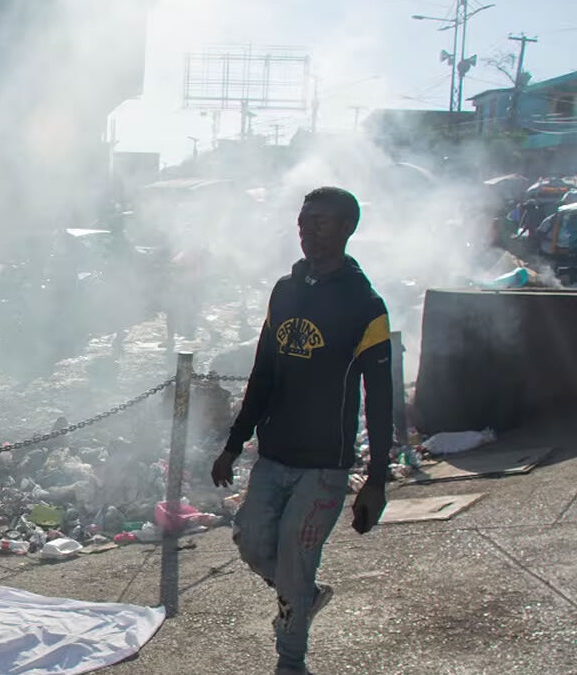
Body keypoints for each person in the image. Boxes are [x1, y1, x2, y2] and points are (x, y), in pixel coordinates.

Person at [210, 186, 392, 675]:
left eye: (322, 223)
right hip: (274, 456)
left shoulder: (365, 306)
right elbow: (263, 375)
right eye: (303, 221)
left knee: (296, 558)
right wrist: (233, 444)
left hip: (324, 465)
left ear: (348, 229)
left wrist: (377, 480)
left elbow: (380, 399)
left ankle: (291, 662)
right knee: (249, 541)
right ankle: (305, 597)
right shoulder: (284, 291)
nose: (308, 231)